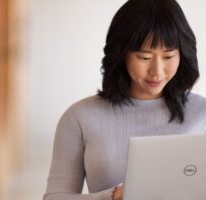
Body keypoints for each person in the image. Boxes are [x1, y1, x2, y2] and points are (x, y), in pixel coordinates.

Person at [43, 0, 206, 200]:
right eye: (144, 57)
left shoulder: (202, 113)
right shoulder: (79, 117)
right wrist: (113, 196)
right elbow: (55, 197)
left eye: (168, 56)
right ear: (122, 54)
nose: (157, 71)